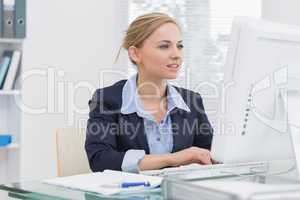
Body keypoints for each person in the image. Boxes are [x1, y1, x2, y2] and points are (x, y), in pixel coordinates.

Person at [85, 12, 213, 173]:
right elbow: (100, 159)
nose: (176, 55)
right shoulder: (107, 100)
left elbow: (211, 154)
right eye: (164, 46)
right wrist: (173, 159)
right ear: (135, 53)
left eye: (179, 46)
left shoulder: (192, 101)